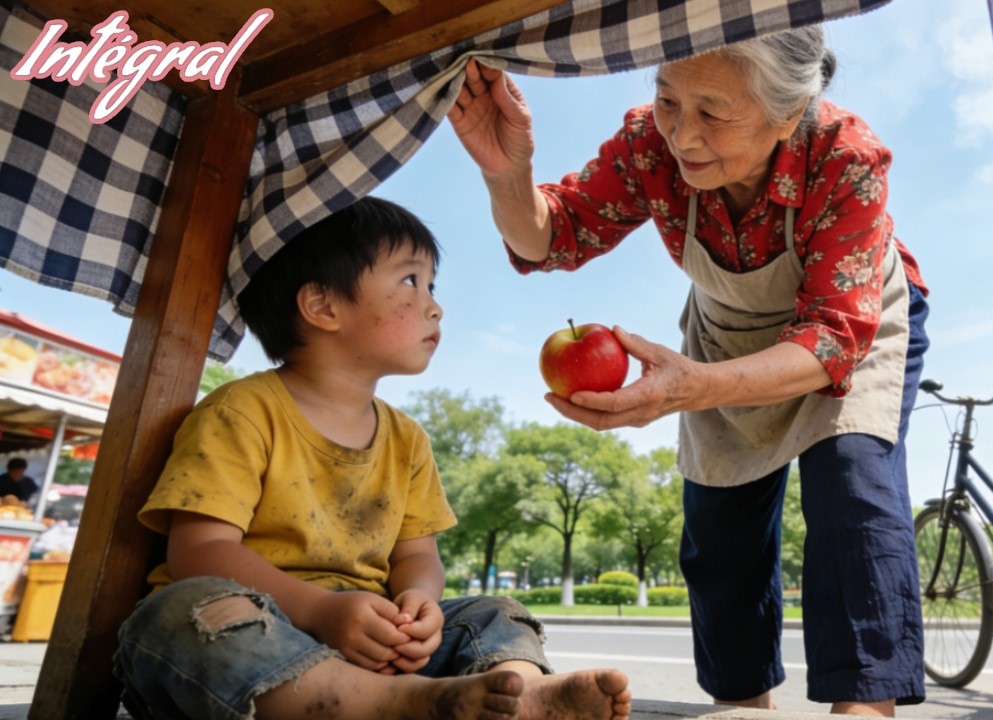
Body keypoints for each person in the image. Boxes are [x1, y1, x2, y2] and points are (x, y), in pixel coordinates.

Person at [449, 25, 929, 717]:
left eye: (713, 112)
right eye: (669, 99)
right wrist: (506, 171)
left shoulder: (843, 155)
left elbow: (831, 336)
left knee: (852, 494)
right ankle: (741, 705)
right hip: (726, 332)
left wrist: (694, 387)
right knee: (719, 530)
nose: (683, 135)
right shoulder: (650, 143)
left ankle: (864, 709)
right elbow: (552, 235)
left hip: (850, 326)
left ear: (787, 115)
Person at [111, 196, 631, 720]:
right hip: (264, 642)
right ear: (323, 306)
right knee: (178, 614)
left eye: (433, 286)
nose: (435, 305)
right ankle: (404, 706)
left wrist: (417, 606)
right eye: (410, 281)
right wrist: (320, 610)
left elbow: (417, 556)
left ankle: (517, 692)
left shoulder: (408, 439)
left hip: (374, 640)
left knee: (494, 611)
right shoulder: (243, 411)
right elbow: (198, 552)